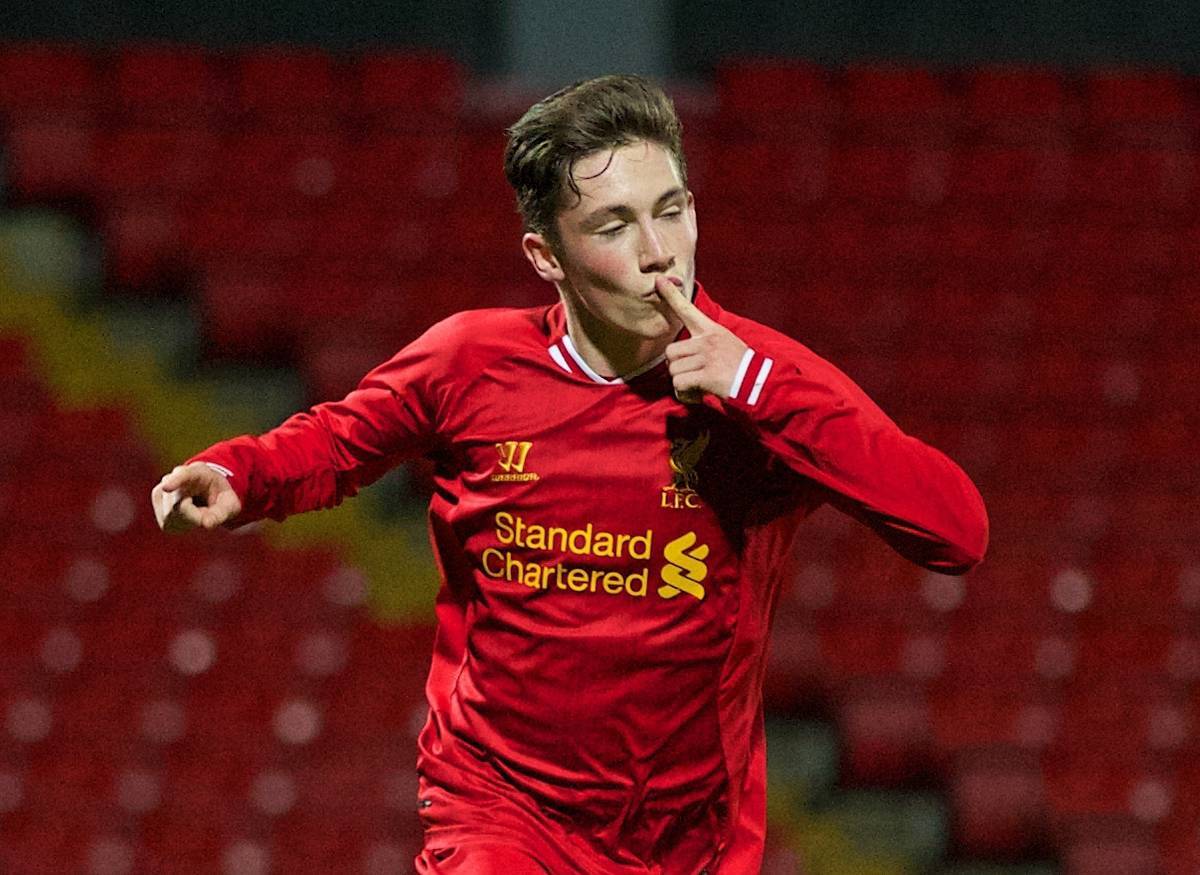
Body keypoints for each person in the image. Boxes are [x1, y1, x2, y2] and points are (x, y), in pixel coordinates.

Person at [151, 75, 988, 874]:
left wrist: (757, 389)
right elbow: (337, 441)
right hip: (496, 804)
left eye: (670, 211)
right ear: (546, 255)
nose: (659, 252)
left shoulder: (764, 384)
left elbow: (956, 530)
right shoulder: (468, 363)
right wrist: (244, 473)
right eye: (614, 225)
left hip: (688, 838)